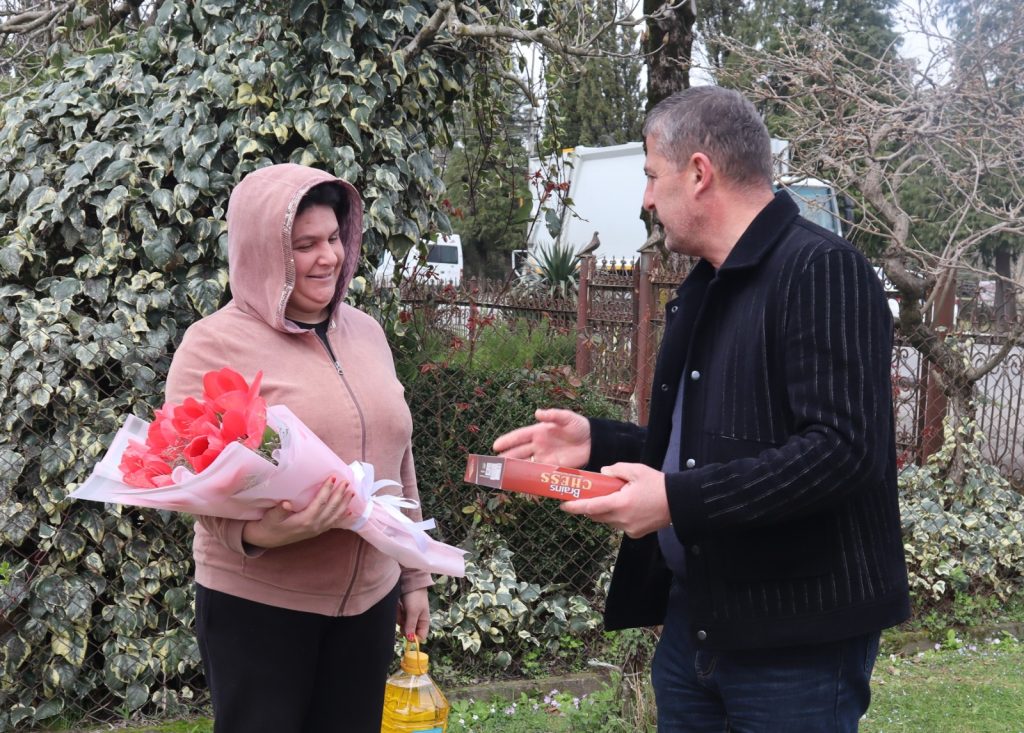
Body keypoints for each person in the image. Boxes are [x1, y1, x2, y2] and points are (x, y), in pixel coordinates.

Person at [494, 87, 910, 732]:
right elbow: (709, 450)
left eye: (651, 176)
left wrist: (675, 502)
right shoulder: (709, 282)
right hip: (697, 627)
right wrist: (599, 444)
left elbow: (842, 451)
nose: (646, 199)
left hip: (795, 645)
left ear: (698, 173)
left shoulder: (823, 270)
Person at [166, 163, 431, 732]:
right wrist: (263, 533)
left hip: (369, 603)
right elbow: (188, 479)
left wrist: (413, 576)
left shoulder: (368, 333)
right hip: (260, 606)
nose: (328, 257)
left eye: (334, 238)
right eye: (305, 245)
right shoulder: (213, 344)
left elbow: (398, 457)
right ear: (263, 253)